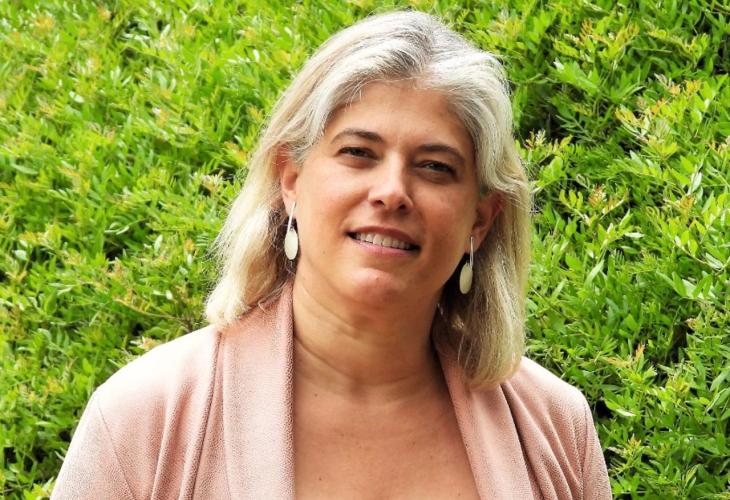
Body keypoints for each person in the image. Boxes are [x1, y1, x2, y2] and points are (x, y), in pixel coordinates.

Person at [52, 10, 611, 499]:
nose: (392, 191)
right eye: (359, 152)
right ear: (290, 180)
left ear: (480, 220)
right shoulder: (147, 417)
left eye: (435, 166)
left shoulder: (554, 427)